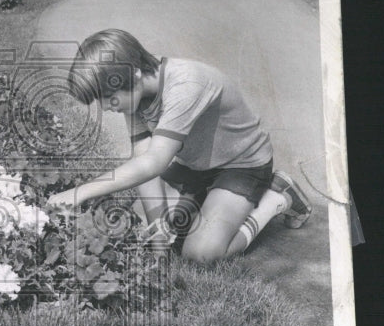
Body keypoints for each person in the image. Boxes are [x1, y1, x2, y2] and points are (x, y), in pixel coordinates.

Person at [47, 29, 311, 264]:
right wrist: (158, 236)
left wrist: (80, 192)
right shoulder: (136, 96)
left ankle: (278, 195)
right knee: (134, 217)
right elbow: (144, 162)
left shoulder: (185, 83)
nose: (105, 107)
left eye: (108, 97)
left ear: (135, 75)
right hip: (196, 167)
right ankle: (208, 200)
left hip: (242, 166)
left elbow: (155, 163)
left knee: (201, 254)